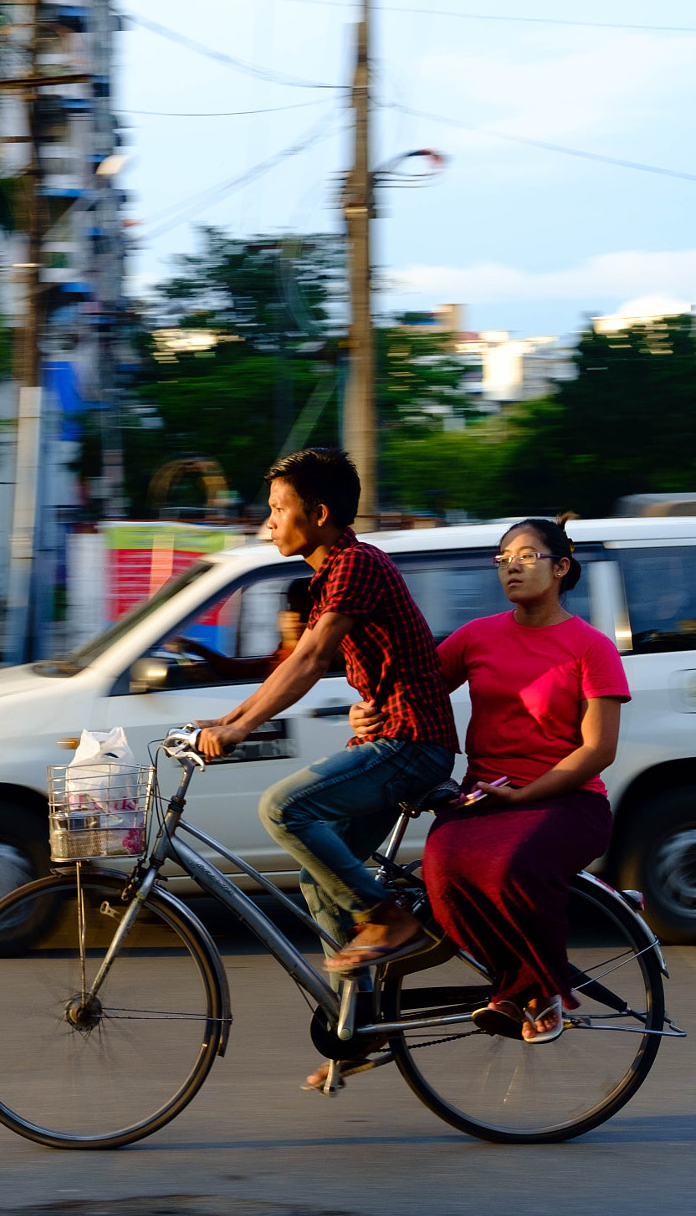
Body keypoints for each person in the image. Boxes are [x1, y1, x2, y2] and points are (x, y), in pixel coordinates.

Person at [195, 450, 458, 1077]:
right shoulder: (331, 573)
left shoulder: (355, 564)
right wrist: (228, 722)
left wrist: (235, 730)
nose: (268, 522)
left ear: (317, 515)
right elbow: (299, 662)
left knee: (283, 808)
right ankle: (359, 1027)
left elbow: (311, 660)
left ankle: (389, 920)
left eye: (279, 509)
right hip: (389, 740)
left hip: (413, 745)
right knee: (320, 875)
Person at [387, 514, 628, 1047]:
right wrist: (374, 715)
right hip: (484, 797)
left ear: (562, 567)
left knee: (511, 864)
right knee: (442, 868)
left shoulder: (591, 648)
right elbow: (416, 691)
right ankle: (513, 983)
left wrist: (524, 794)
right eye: (502, 560)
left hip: (568, 801)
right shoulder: (478, 636)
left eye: (526, 557)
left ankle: (539, 988)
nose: (510, 568)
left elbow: (598, 751)